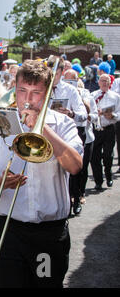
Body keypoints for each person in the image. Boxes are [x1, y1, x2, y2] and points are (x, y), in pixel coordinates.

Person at [0, 59, 83, 288]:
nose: (28, 99)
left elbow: (75, 166)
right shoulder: (0, 126)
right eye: (23, 91)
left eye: (36, 93)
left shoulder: (63, 124)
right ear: (15, 89)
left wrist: (42, 128)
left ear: (48, 94)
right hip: (9, 231)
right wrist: (2, 182)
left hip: (49, 234)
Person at [48, 56, 87, 214]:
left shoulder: (70, 90)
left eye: (55, 74)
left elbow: (83, 114)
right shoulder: (43, 88)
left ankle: (76, 199)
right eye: (49, 73)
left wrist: (70, 113)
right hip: (49, 135)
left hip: (67, 134)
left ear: (62, 72)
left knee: (73, 173)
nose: (52, 77)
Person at [63, 69, 97, 211]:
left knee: (80, 169)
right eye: (67, 80)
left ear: (77, 80)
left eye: (72, 80)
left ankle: (79, 196)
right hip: (65, 133)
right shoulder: (61, 92)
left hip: (83, 133)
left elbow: (91, 116)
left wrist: (78, 100)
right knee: (68, 170)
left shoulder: (86, 94)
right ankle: (72, 199)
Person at [90, 74, 120, 190]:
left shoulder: (115, 97)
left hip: (109, 128)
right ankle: (98, 181)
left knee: (108, 155)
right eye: (102, 81)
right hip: (96, 129)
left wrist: (113, 115)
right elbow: (89, 113)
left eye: (107, 81)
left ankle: (108, 174)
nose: (104, 83)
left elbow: (119, 113)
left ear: (110, 83)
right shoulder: (93, 95)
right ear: (98, 82)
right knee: (95, 157)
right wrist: (94, 114)